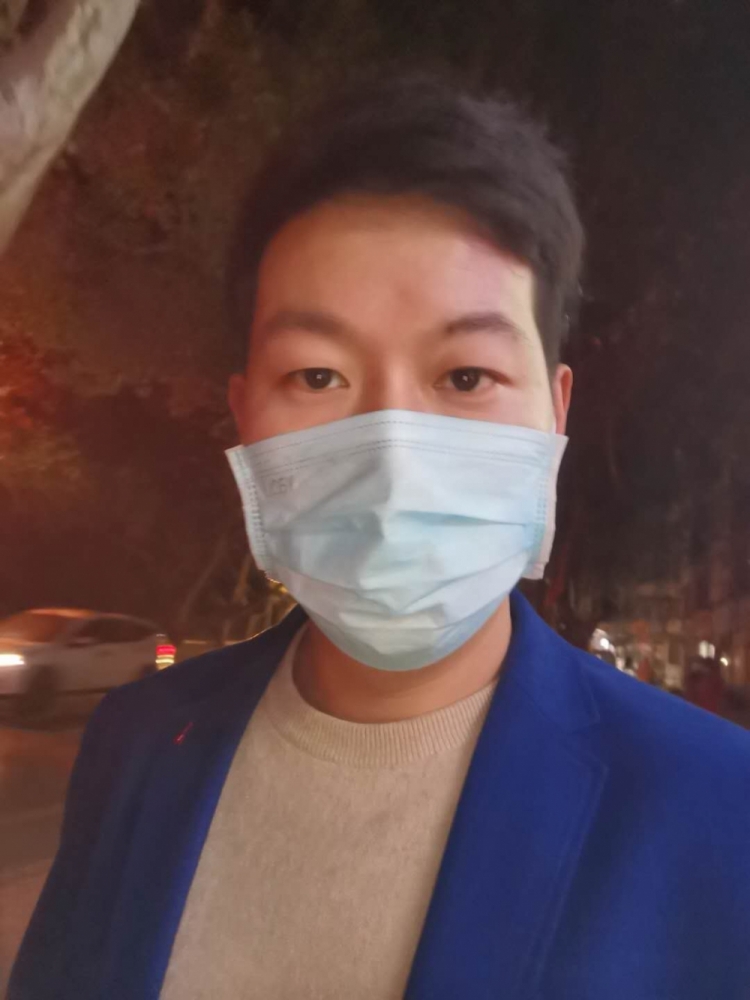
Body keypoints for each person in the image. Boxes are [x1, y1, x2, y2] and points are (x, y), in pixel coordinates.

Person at [10, 76, 750, 1000]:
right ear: (245, 417)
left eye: (467, 376)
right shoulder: (136, 746)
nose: (393, 460)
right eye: (318, 376)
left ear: (555, 415)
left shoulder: (717, 809)